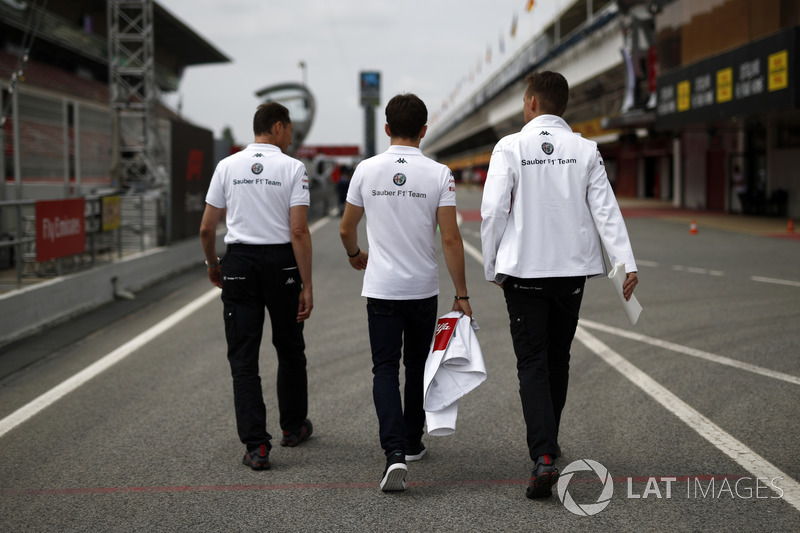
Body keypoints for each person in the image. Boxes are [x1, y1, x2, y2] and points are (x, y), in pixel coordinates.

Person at [480, 71, 638, 499]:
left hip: (524, 273)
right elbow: (606, 210)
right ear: (562, 105)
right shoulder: (585, 149)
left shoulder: (509, 147)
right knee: (558, 357)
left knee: (531, 362)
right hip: (571, 273)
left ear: (530, 102)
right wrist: (625, 264)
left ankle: (544, 455)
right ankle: (549, 443)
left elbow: (493, 211)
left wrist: (492, 264)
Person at [339, 93, 473, 492]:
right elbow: (450, 238)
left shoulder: (366, 170)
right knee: (416, 366)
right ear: (424, 130)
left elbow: (346, 228)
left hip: (381, 286)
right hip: (422, 288)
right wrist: (462, 294)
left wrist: (355, 254)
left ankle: (393, 454)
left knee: (384, 368)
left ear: (386, 129)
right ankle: (413, 442)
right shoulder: (439, 173)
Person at [199, 102, 314, 471]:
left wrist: (213, 264)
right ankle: (293, 427)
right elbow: (298, 230)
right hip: (281, 262)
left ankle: (257, 447)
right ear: (278, 127)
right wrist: (306, 283)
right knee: (290, 347)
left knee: (244, 359)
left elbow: (206, 227)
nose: (292, 133)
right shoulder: (293, 168)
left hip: (239, 263)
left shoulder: (227, 166)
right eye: (290, 127)